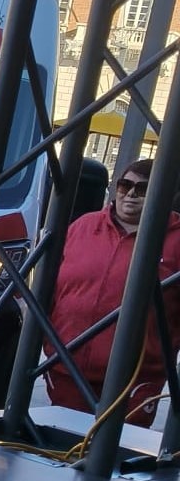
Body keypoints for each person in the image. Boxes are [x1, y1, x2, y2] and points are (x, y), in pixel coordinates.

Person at [46, 158, 180, 426]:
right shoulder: (83, 226)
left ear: (164, 192)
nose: (131, 194)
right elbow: (49, 288)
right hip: (67, 369)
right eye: (124, 185)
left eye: (142, 189)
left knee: (116, 447)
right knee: (58, 442)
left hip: (136, 380)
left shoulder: (175, 240)